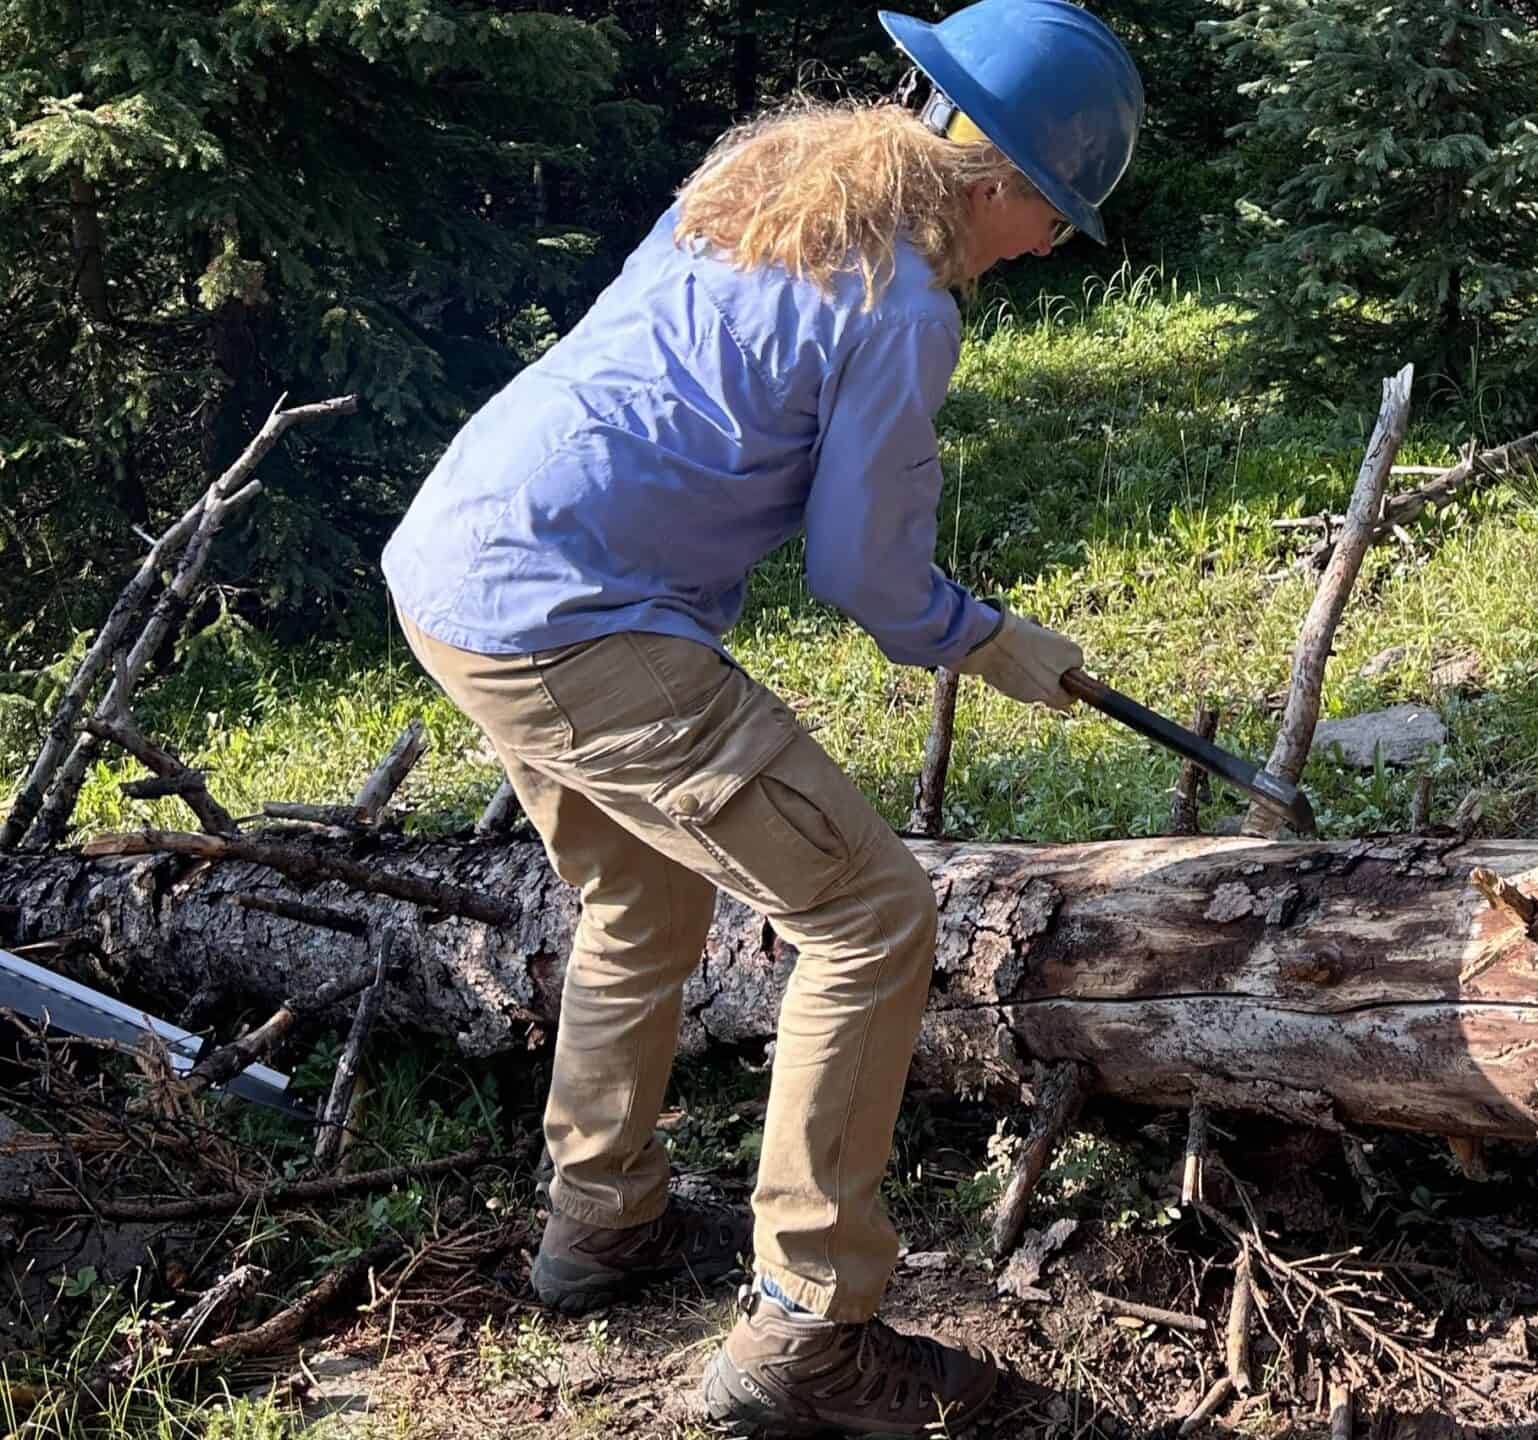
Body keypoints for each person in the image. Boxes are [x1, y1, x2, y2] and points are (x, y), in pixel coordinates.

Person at [379, 1, 1143, 1430]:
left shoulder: (767, 190)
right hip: (576, 623)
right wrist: (993, 643)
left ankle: (599, 1223)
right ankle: (810, 1327)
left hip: (457, 571)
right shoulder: (904, 304)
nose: (1050, 247)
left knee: (637, 900)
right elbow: (865, 574)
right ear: (1000, 182)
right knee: (869, 917)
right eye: (1058, 215)